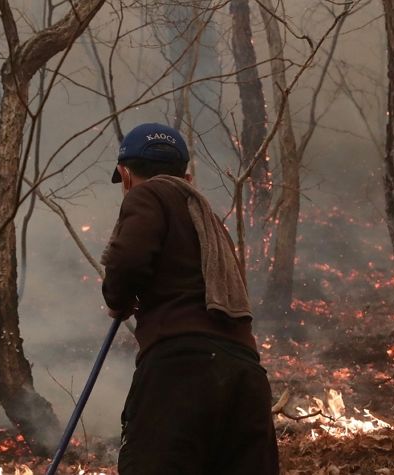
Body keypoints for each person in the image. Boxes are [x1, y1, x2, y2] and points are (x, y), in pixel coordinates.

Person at [101, 123, 279, 475]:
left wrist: (117, 298)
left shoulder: (148, 194)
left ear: (125, 175)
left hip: (181, 370)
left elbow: (128, 259)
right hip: (245, 376)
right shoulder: (209, 224)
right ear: (188, 176)